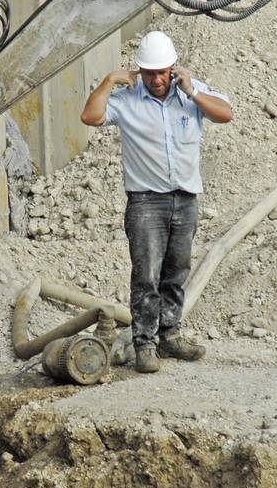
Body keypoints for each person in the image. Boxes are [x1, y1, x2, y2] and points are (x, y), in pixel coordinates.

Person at [80, 31, 233, 373]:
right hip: (146, 202)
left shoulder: (191, 95)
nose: (157, 79)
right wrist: (107, 81)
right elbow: (90, 117)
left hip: (185, 198)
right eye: (150, 73)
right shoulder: (127, 99)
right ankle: (144, 343)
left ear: (173, 69)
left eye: (163, 72)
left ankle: (170, 334)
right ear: (140, 71)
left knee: (176, 271)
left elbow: (225, 114)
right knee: (147, 275)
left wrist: (193, 91)